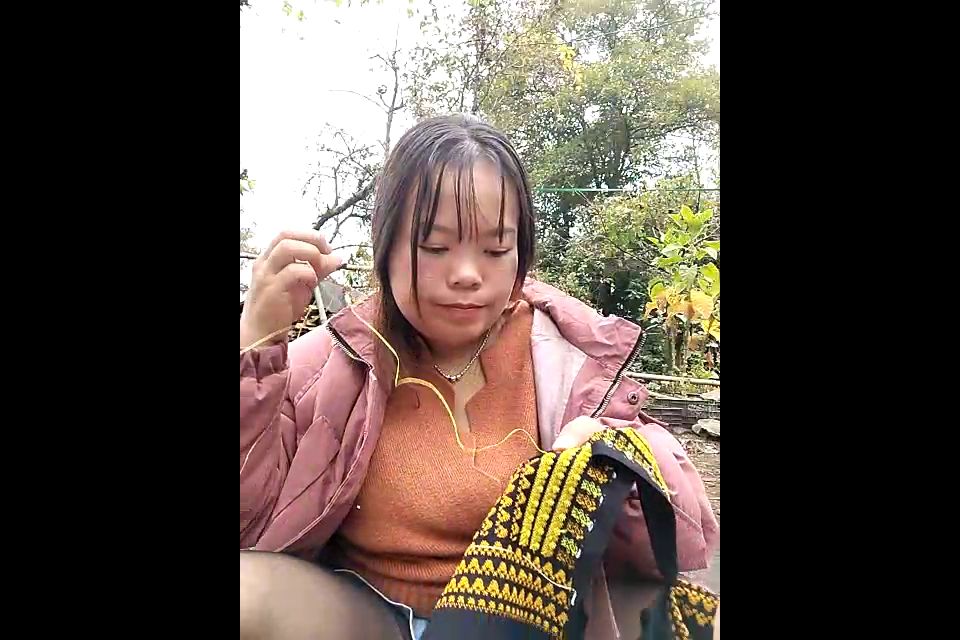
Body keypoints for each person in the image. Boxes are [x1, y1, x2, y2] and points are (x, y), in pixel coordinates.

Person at [240, 114, 719, 640]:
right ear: (386, 245)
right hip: (371, 616)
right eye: (435, 247)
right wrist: (254, 346)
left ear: (520, 252)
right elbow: (248, 519)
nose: (468, 274)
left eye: (494, 249)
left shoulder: (571, 361)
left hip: (530, 620)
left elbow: (684, 534)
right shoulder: (332, 361)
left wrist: (611, 455)